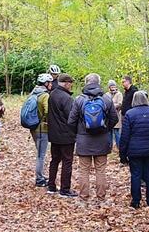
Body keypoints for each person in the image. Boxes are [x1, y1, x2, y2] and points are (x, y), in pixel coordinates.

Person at [66, 72, 118, 204]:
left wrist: (78, 133)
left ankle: (84, 198)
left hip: (84, 141)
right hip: (102, 140)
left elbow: (71, 122)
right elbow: (114, 119)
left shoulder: (79, 100)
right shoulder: (107, 99)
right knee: (101, 170)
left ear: (86, 83)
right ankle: (101, 198)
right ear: (99, 83)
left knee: (84, 170)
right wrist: (106, 129)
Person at [118, 90, 149, 209]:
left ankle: (136, 201)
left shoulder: (130, 114)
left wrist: (122, 155)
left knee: (136, 175)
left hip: (135, 151)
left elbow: (125, 136)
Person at [46, 74, 78, 196]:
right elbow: (72, 117)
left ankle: (51, 186)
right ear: (66, 83)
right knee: (67, 161)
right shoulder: (67, 98)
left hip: (54, 134)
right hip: (66, 135)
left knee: (54, 160)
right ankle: (65, 189)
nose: (71, 85)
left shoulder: (52, 95)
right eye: (70, 83)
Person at [24, 73, 52, 186]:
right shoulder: (44, 95)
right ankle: (39, 179)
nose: (51, 84)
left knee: (40, 152)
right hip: (42, 129)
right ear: (46, 83)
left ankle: (41, 174)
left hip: (33, 126)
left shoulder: (33, 92)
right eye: (50, 83)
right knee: (41, 154)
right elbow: (47, 111)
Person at [107, 80, 122, 150]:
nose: (113, 88)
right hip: (108, 117)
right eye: (111, 86)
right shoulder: (107, 95)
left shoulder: (119, 94)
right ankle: (109, 147)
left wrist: (111, 105)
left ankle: (119, 147)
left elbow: (120, 104)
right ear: (109, 87)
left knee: (116, 133)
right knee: (109, 133)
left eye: (114, 86)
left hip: (116, 116)